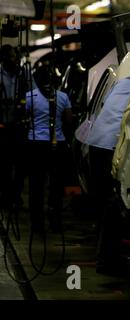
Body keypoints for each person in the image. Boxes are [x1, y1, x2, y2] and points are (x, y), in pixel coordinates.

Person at [85, 77, 130, 275]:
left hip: (96, 141)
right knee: (113, 203)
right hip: (109, 144)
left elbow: (104, 106)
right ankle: (107, 260)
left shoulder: (122, 82)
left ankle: (104, 252)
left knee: (103, 201)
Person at [26, 62, 73, 233]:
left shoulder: (30, 97)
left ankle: (36, 224)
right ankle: (55, 222)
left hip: (36, 144)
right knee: (55, 185)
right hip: (57, 144)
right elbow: (69, 120)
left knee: (36, 185)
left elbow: (24, 117)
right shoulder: (62, 96)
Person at [0, 44, 27, 211]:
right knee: (4, 164)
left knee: (20, 165)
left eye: (15, 57)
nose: (14, 60)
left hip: (18, 126)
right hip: (2, 126)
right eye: (11, 57)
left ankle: (16, 196)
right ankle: (5, 196)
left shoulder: (22, 74)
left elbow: (32, 94)